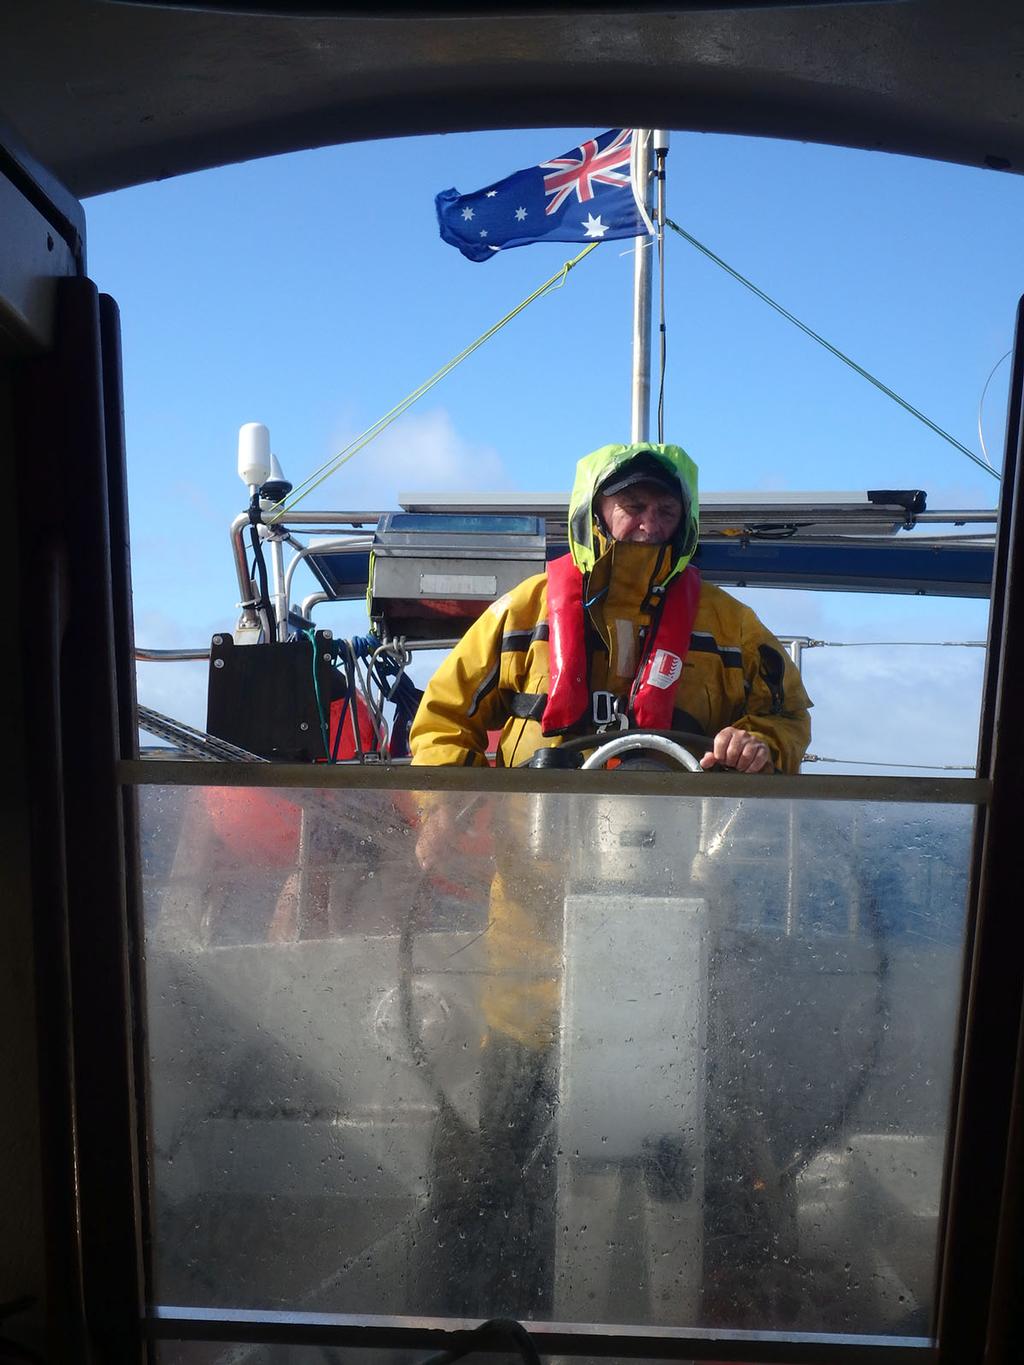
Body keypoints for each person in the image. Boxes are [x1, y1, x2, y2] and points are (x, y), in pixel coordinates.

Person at [405, 442, 812, 1323]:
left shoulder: (733, 631)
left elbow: (786, 712)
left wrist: (760, 744)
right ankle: (465, 1321)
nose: (648, 523)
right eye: (631, 506)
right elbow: (440, 718)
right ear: (595, 514)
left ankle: (721, 1321)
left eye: (665, 511)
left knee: (712, 1171)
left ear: (687, 522)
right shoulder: (520, 618)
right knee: (488, 1169)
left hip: (683, 962)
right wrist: (443, 802)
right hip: (530, 968)